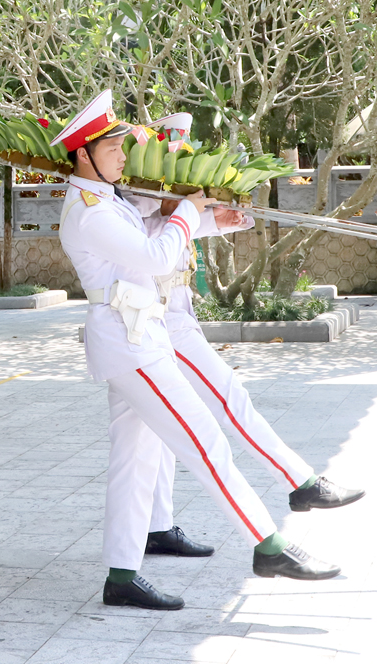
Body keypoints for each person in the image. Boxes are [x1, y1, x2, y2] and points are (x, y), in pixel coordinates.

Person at [55, 90, 341, 611]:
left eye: (122, 145)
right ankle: (269, 545)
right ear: (83, 154)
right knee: (205, 440)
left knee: (135, 459)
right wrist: (188, 211)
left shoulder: (107, 198)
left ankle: (121, 576)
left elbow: (152, 232)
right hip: (130, 342)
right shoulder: (89, 210)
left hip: (137, 334)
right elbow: (155, 254)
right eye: (114, 147)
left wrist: (210, 219)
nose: (124, 154)